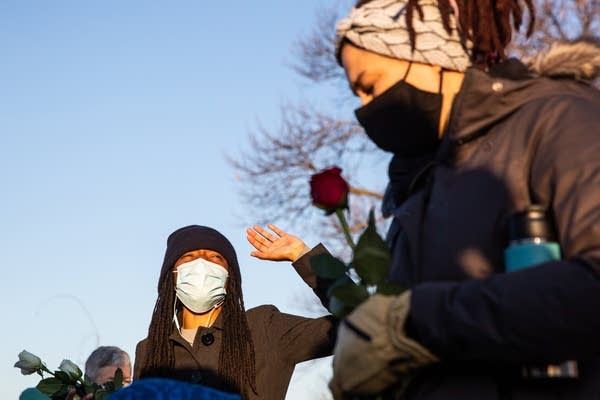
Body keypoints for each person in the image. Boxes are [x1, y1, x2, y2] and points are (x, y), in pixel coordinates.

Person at [328, 0, 600, 398]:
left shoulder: (556, 119)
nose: (365, 109)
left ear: (425, 52)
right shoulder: (416, 189)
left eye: (370, 86)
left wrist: (413, 321)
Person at [133, 224, 335, 400]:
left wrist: (304, 256)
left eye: (215, 257)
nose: (202, 263)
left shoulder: (264, 328)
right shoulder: (150, 351)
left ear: (229, 278)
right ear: (172, 275)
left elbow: (359, 322)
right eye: (189, 256)